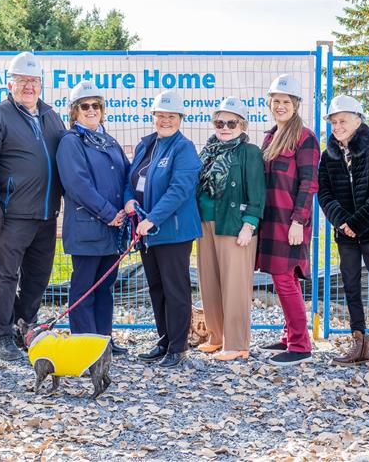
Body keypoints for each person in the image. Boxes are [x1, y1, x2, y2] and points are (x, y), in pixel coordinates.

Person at [0, 52, 65, 361]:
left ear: (41, 84)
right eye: (22, 81)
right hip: (11, 214)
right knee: (6, 276)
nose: (29, 86)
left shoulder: (51, 116)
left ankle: (24, 326)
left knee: (38, 277)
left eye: (34, 81)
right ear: (10, 84)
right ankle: (1, 334)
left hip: (46, 214)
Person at [317, 95, 369, 372]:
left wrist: (358, 222)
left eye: (343, 120)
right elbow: (325, 192)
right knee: (351, 285)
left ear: (358, 120)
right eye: (334, 121)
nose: (338, 126)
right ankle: (359, 343)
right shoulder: (329, 154)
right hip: (345, 234)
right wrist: (343, 222)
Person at [124, 90, 202, 369]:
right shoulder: (146, 144)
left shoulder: (184, 149)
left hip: (173, 231)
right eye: (161, 115)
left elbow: (179, 190)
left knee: (175, 288)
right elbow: (130, 179)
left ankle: (179, 347)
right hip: (148, 230)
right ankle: (164, 339)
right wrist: (129, 200)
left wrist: (153, 218)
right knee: (156, 287)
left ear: (180, 118)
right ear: (153, 117)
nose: (165, 120)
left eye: (171, 116)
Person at [56, 81, 129, 354]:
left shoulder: (108, 141)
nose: (91, 110)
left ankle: (103, 342)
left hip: (112, 230)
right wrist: (110, 213)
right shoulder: (70, 142)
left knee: (105, 287)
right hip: (88, 228)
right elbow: (78, 185)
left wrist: (126, 205)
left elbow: (125, 175)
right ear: (75, 111)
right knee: (85, 288)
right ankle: (85, 344)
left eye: (95, 105)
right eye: (84, 106)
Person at [196, 96, 265, 361]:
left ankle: (237, 343)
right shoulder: (208, 150)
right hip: (206, 222)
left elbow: (257, 191)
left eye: (231, 122)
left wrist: (250, 224)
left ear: (242, 124)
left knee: (235, 285)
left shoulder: (249, 152)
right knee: (209, 281)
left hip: (234, 224)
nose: (225, 127)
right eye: (219, 122)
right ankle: (217, 336)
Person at [257, 74, 320, 366]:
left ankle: (300, 345)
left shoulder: (305, 138)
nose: (280, 106)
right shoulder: (270, 136)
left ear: (296, 104)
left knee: (285, 280)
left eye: (286, 101)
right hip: (271, 221)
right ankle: (289, 334)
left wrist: (298, 221)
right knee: (285, 280)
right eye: (276, 101)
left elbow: (309, 183)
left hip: (290, 223)